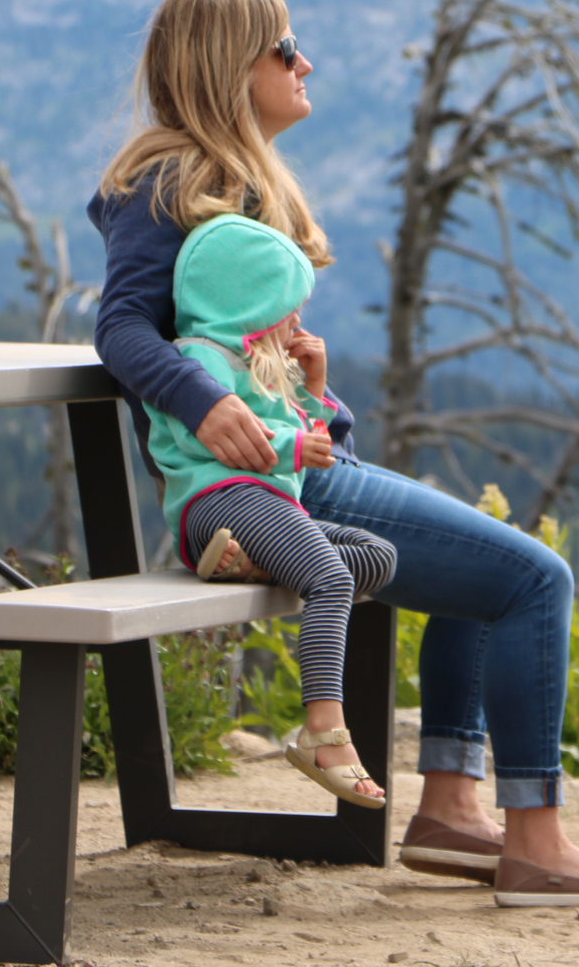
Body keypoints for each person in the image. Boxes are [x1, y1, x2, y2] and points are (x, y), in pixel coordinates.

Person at [89, 0, 579, 909]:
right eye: (285, 49)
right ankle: (538, 845)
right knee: (534, 581)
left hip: (302, 474)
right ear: (229, 67)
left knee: (486, 582)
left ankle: (450, 810)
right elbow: (121, 329)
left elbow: (245, 359)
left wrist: (314, 396)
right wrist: (204, 408)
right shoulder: (167, 182)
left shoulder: (229, 183)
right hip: (274, 496)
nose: (304, 62)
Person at [146, 210, 396, 806]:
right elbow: (208, 440)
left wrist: (313, 388)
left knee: (378, 556)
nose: (297, 320)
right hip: (220, 501)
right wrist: (290, 446)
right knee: (330, 579)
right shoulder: (199, 360)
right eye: (288, 304)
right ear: (247, 300)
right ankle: (322, 730)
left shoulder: (260, 370)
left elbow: (304, 456)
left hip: (263, 505)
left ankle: (253, 563)